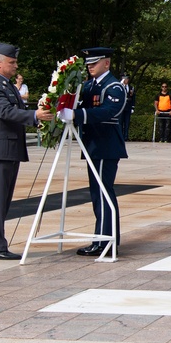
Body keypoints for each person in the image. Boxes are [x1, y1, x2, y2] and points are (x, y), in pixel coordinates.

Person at [0, 42, 53, 260]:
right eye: (12, 62)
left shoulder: (7, 86)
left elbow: (16, 110)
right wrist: (34, 116)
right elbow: (6, 112)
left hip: (7, 148)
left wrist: (38, 120)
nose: (15, 66)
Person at [59, 47, 127, 256]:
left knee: (104, 193)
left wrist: (78, 114)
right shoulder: (89, 86)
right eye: (88, 63)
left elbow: (108, 111)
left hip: (106, 146)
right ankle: (102, 238)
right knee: (97, 193)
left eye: (94, 63)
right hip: (93, 146)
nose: (90, 66)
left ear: (106, 63)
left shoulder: (114, 86)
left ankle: (106, 241)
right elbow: (79, 102)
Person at [120, 73, 135, 142]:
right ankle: (120, 136)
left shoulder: (131, 87)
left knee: (127, 123)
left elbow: (133, 98)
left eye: (127, 78)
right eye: (124, 79)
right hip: (121, 107)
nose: (126, 80)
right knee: (120, 122)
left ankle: (126, 136)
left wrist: (132, 107)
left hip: (128, 106)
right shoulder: (120, 87)